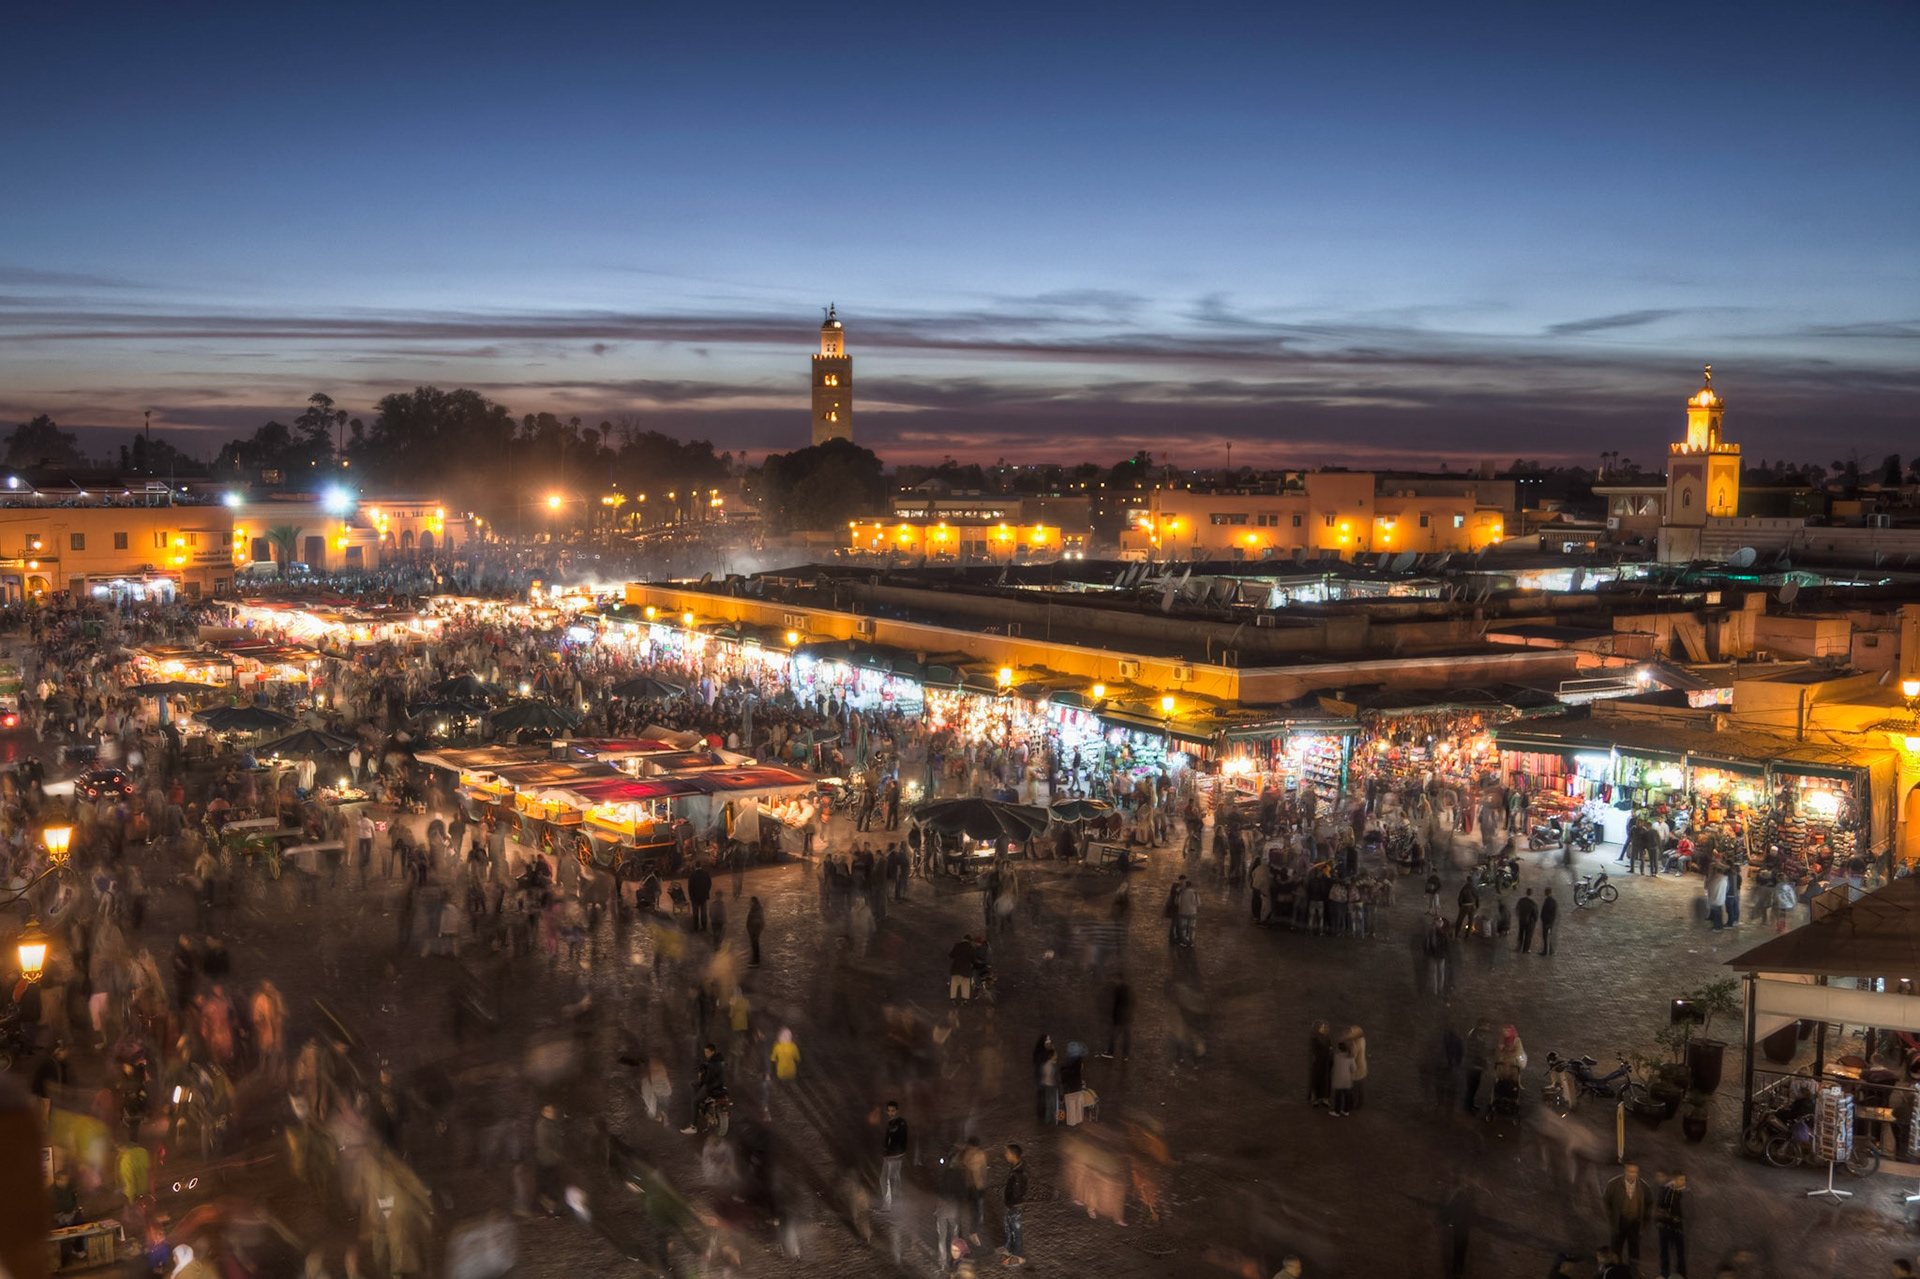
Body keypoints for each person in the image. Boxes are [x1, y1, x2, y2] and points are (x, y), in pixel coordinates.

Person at [1602, 1163, 1651, 1270]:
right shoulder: (1613, 1184)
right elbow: (1606, 1202)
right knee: (1616, 1250)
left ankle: (1633, 1272)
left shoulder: (1643, 1186)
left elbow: (1649, 1204)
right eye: (1630, 1171)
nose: (1632, 1174)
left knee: (1634, 1251)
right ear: (1625, 1171)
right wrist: (1611, 1218)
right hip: (1618, 1223)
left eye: (1635, 1172)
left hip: (1635, 1224)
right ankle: (1615, 1271)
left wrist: (1644, 1223)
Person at [1656, 1171, 1686, 1279]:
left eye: (1683, 1180)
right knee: (1665, 1253)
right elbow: (1660, 1207)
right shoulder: (1667, 1191)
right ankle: (1665, 1274)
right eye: (1680, 1179)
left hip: (1679, 1229)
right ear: (1674, 1179)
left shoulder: (1685, 1193)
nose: (1683, 1182)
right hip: (1666, 1228)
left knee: (1680, 1255)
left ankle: (1681, 1275)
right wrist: (1659, 1221)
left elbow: (1689, 1211)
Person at [1001, 1143, 1028, 1266]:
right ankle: (1009, 1248)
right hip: (1011, 1204)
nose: (1006, 1155)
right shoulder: (1015, 1168)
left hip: (1014, 1205)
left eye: (1007, 1153)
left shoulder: (1018, 1173)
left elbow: (1017, 1192)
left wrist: (1011, 1204)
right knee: (1009, 1225)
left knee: (1016, 1229)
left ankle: (1018, 1255)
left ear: (1013, 1155)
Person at [880, 1100, 908, 1208]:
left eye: (893, 1111)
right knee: (885, 1178)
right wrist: (885, 1152)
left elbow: (902, 1139)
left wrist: (899, 1153)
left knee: (891, 1179)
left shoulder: (901, 1123)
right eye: (889, 1111)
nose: (891, 1113)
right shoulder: (890, 1123)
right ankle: (891, 1203)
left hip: (896, 1155)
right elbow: (887, 1140)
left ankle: (891, 1204)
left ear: (897, 1111)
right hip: (889, 1155)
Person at [1308, 1021, 1333, 1107]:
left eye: (1324, 1027)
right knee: (1317, 1080)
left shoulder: (1327, 1037)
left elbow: (1330, 1047)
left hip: (1326, 1063)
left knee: (1325, 1081)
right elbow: (1314, 1050)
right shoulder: (1315, 1038)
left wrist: (1330, 1051)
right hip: (1318, 1063)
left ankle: (1324, 1098)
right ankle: (1316, 1099)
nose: (1323, 1028)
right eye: (1321, 1027)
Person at [1330, 1040, 1355, 1117]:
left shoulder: (1336, 1056)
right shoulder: (1350, 1057)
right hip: (1347, 1079)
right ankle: (1346, 1110)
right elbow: (1354, 1068)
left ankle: (1337, 1111)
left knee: (1338, 1096)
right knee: (1347, 1096)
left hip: (1338, 1079)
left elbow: (1333, 1065)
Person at [949, 935, 976, 1003]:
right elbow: (973, 959)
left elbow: (951, 955)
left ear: (963, 939)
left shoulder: (957, 945)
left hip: (956, 968)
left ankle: (953, 999)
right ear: (970, 941)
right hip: (966, 969)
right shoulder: (971, 947)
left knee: (954, 985)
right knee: (965, 985)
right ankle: (965, 1000)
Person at [687, 862, 712, 932]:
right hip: (703, 896)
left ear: (695, 866)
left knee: (695, 913)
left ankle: (696, 927)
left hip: (695, 897)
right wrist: (706, 892)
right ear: (701, 866)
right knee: (703, 912)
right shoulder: (706, 874)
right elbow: (709, 884)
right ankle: (704, 927)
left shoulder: (692, 875)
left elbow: (690, 887)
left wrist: (691, 896)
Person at [1514, 887, 1538, 954]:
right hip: (1530, 922)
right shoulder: (1533, 903)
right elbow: (1535, 914)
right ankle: (1526, 949)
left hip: (1521, 920)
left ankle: (1518, 947)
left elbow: (1517, 909)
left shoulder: (1521, 901)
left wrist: (1519, 916)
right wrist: (1534, 920)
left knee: (1520, 933)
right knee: (1528, 935)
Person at [746, 896, 765, 966]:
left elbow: (759, 921)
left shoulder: (756, 909)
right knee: (754, 945)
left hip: (755, 930)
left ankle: (756, 961)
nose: (749, 903)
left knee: (755, 945)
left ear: (754, 902)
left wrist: (756, 931)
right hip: (753, 930)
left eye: (751, 901)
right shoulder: (755, 908)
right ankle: (755, 960)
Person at [1539, 887, 1559, 955]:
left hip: (1547, 921)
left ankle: (1546, 950)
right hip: (1550, 921)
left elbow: (1547, 912)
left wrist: (1545, 920)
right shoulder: (1553, 901)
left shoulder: (1548, 901)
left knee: (1545, 936)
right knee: (1548, 936)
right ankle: (1550, 950)